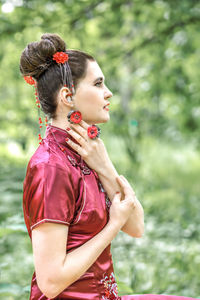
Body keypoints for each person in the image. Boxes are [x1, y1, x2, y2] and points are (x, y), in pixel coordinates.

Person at [20, 33, 199, 300]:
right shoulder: (51, 167)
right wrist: (112, 225)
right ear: (68, 95)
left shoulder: (88, 153)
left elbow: (137, 227)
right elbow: (50, 282)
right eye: (99, 83)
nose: (109, 93)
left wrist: (105, 166)